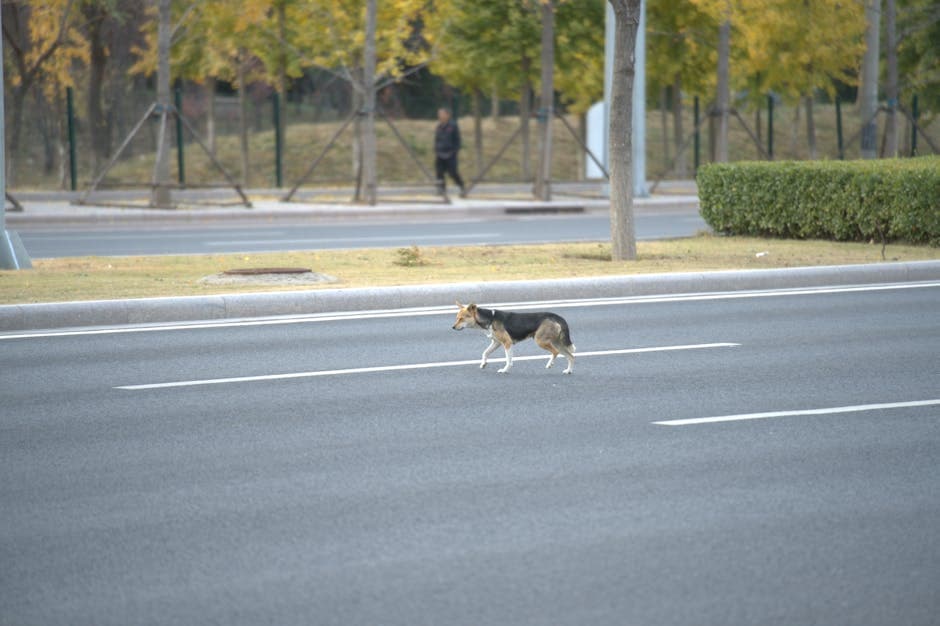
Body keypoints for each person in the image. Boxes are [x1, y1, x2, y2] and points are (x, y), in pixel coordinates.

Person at [434, 107, 466, 198]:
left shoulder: (453, 126)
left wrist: (455, 151)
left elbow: (457, 140)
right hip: (440, 154)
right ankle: (442, 190)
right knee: (439, 173)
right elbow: (436, 140)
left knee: (453, 172)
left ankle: (462, 187)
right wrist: (436, 149)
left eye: (442, 113)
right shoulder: (439, 127)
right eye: (439, 114)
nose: (440, 115)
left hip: (450, 154)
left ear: (448, 115)